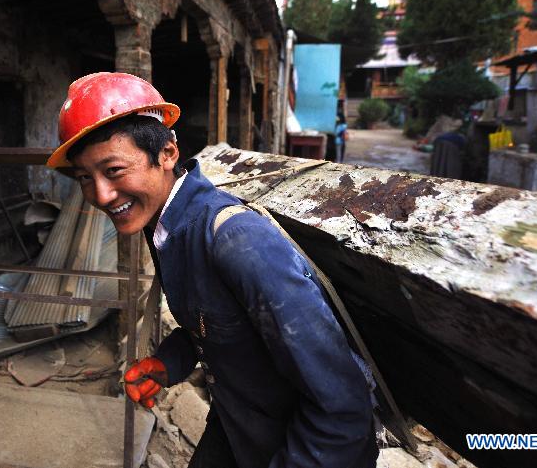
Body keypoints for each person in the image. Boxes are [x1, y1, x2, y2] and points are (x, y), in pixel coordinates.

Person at [48, 72, 377, 468]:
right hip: (239, 424)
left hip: (300, 447)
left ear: (168, 153)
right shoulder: (167, 226)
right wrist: (170, 361)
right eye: (86, 177)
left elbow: (343, 409)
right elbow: (220, 323)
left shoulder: (237, 242)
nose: (100, 195)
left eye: (114, 170)